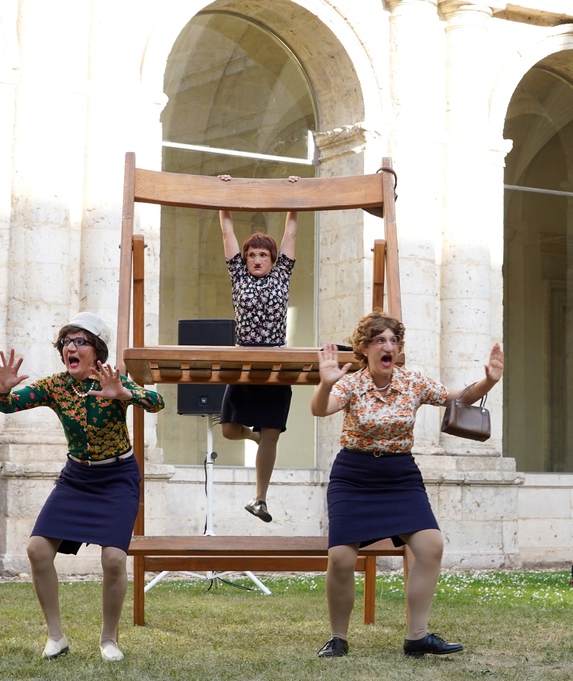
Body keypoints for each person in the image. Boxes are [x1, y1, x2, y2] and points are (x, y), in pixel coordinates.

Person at [311, 311, 504, 658]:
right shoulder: (352, 384)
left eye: (393, 340)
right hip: (353, 475)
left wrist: (488, 381)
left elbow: (456, 398)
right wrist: (325, 382)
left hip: (399, 475)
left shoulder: (413, 382)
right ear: (365, 348)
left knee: (431, 546)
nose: (389, 346)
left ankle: (417, 637)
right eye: (380, 340)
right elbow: (320, 409)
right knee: (340, 558)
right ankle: (338, 638)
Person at [0, 312, 165, 661]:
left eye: (79, 341)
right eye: (65, 342)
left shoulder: (114, 380)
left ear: (95, 350)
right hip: (77, 479)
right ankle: (56, 637)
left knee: (114, 559)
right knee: (37, 550)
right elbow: (3, 406)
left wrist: (123, 394)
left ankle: (109, 640)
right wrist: (3, 388)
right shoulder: (55, 386)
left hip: (117, 478)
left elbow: (157, 402)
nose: (70, 347)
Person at [216, 173, 300, 523]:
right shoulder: (238, 276)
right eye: (252, 254)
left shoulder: (282, 275)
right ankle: (254, 437)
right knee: (229, 430)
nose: (256, 259)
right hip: (245, 359)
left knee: (271, 433)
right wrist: (222, 196)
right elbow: (226, 233)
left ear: (272, 258)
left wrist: (294, 197)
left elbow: (291, 234)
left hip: (276, 361)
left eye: (263, 254)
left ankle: (259, 499)